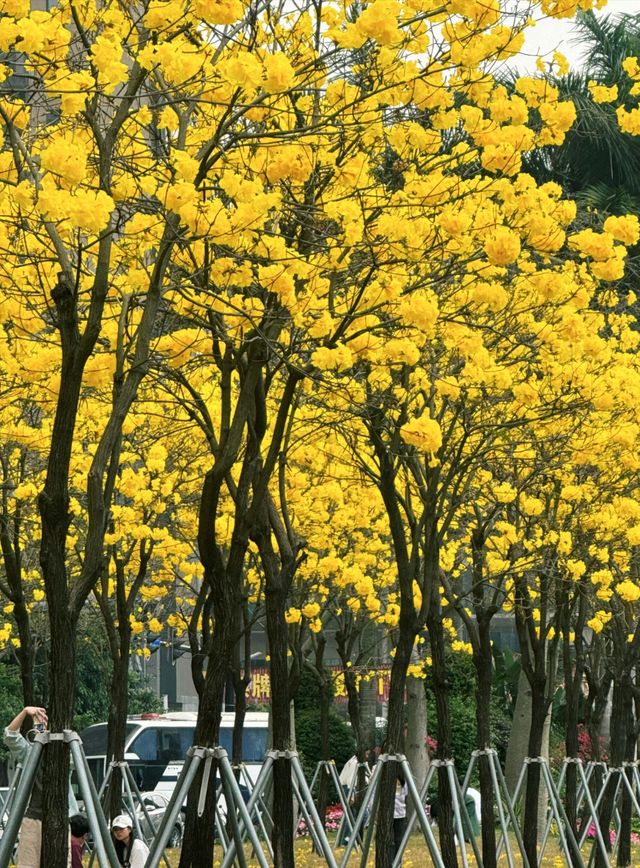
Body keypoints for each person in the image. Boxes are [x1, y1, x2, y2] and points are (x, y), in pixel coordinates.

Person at [3, 705, 78, 868]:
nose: (42, 726)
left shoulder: (64, 753)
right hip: (32, 817)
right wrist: (24, 712)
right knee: (28, 864)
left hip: (60, 817)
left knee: (61, 863)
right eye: (39, 723)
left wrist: (48, 729)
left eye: (45, 723)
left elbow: (75, 750)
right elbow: (9, 736)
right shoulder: (28, 751)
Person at [392, 769, 408, 862]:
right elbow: (405, 794)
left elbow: (405, 793)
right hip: (399, 813)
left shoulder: (403, 781)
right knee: (397, 840)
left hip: (400, 813)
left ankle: (396, 861)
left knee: (397, 840)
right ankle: (395, 861)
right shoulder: (403, 780)